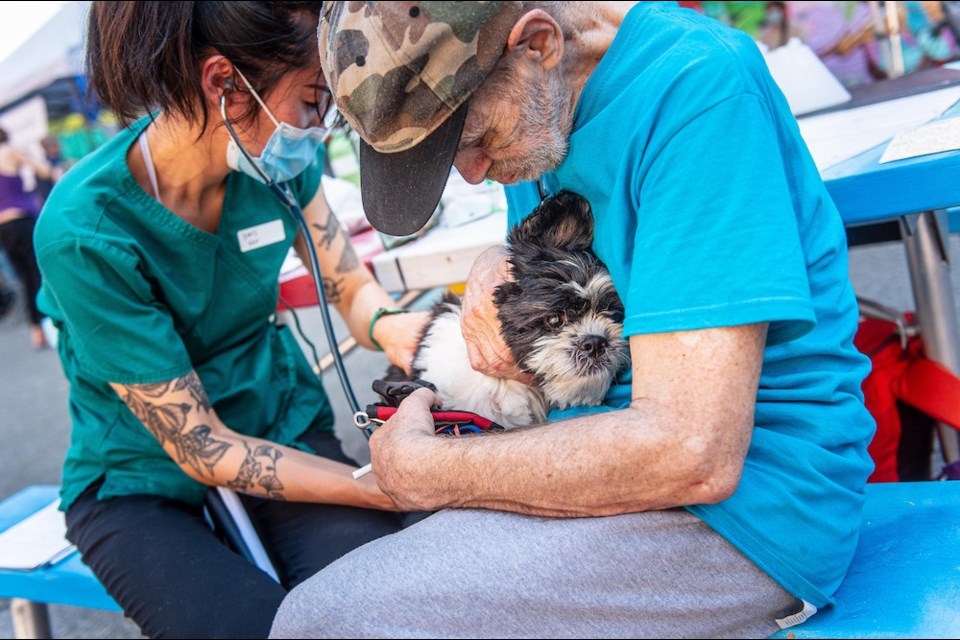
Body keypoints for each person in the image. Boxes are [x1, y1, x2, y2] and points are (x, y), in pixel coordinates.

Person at [270, 2, 876, 638]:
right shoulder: (538, 106)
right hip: (609, 453)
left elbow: (691, 452)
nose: (472, 172)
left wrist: (428, 473)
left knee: (327, 622)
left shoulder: (698, 90)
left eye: (471, 139)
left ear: (537, 43)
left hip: (749, 509)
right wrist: (494, 261)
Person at [33, 2, 429, 638]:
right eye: (311, 102)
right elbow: (200, 446)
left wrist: (394, 328)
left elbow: (348, 282)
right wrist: (375, 485)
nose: (320, 127)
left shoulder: (278, 166)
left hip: (283, 426)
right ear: (224, 84)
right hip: (142, 481)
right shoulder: (85, 232)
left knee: (382, 604)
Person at [0, 126, 53, 349]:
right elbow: (44, 171)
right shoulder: (9, 151)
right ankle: (47, 325)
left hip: (3, 229)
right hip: (21, 221)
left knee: (24, 277)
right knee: (37, 273)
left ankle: (36, 330)